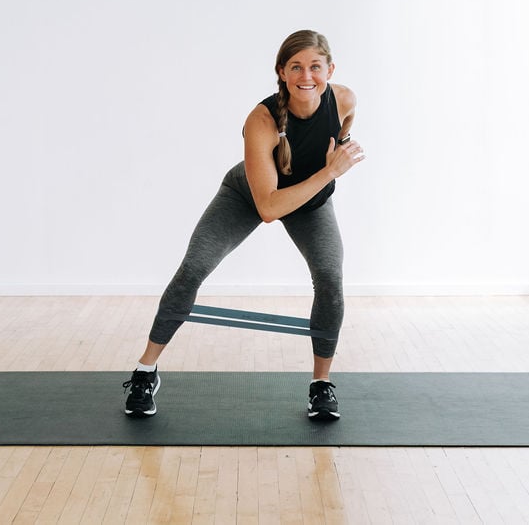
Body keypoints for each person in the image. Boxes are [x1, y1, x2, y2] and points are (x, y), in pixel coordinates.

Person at [122, 29, 365, 421]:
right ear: (281, 72)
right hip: (250, 195)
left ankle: (321, 385)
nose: (307, 76)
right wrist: (329, 172)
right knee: (194, 268)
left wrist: (336, 151)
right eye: (296, 67)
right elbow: (268, 207)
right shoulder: (262, 120)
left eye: (316, 67)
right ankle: (145, 370)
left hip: (310, 203)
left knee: (330, 277)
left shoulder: (345, 99)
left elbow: (345, 123)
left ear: (330, 69)